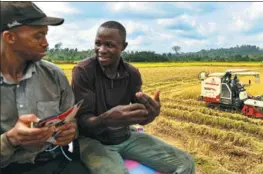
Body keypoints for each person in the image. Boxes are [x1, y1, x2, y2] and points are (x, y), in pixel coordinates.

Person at [72, 20, 195, 174]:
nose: (101, 50)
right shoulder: (83, 71)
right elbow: (83, 121)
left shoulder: (131, 73)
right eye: (98, 43)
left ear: (123, 46)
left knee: (186, 163)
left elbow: (141, 119)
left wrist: (151, 113)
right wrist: (106, 119)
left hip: (125, 136)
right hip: (93, 141)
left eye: (109, 45)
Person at [0, 2, 89, 174]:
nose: (46, 43)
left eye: (46, 35)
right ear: (10, 37)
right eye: (38, 36)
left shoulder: (54, 75)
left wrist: (69, 132)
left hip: (53, 161)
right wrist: (10, 140)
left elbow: (72, 122)